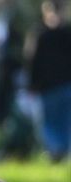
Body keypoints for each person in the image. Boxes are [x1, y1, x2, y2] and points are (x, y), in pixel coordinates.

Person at [29, 1, 71, 162]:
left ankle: (55, 151)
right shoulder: (67, 32)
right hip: (63, 85)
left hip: (48, 86)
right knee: (62, 121)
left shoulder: (40, 34)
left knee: (50, 122)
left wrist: (33, 83)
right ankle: (62, 151)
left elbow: (32, 60)